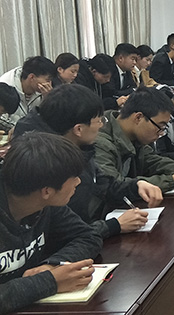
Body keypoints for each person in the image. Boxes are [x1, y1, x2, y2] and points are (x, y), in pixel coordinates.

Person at [13, 85, 159, 238]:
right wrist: (113, 226)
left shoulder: (80, 147)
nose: (102, 125)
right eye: (99, 120)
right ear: (78, 129)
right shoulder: (44, 164)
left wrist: (136, 186)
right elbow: (61, 234)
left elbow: (103, 184)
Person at [0, 132, 104, 314]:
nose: (79, 182)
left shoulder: (44, 204)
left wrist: (51, 265)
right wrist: (50, 281)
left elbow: (88, 236)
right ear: (47, 191)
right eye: (74, 177)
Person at [94, 87, 174, 193]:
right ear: (138, 117)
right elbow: (114, 186)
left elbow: (153, 161)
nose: (161, 133)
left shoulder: (135, 138)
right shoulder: (100, 142)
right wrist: (171, 182)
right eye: (160, 127)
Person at [0, 56, 57, 129]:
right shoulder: (6, 86)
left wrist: (48, 100)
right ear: (32, 77)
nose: (50, 84)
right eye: (47, 80)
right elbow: (1, 119)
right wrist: (20, 128)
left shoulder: (45, 91)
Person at [102, 43, 139, 109]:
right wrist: (129, 92)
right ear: (121, 58)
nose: (135, 63)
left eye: (135, 60)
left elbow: (133, 87)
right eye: (132, 59)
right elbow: (111, 93)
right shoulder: (109, 70)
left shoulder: (127, 71)